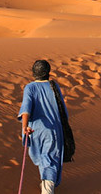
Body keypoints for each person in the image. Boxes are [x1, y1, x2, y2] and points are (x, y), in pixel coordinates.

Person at [18, 60, 68, 194]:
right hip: (53, 131)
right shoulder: (54, 86)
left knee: (45, 159)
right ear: (48, 73)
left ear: (34, 73)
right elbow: (63, 110)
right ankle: (47, 187)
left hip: (36, 131)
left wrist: (25, 127)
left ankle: (47, 188)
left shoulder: (30, 87)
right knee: (49, 159)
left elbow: (26, 109)